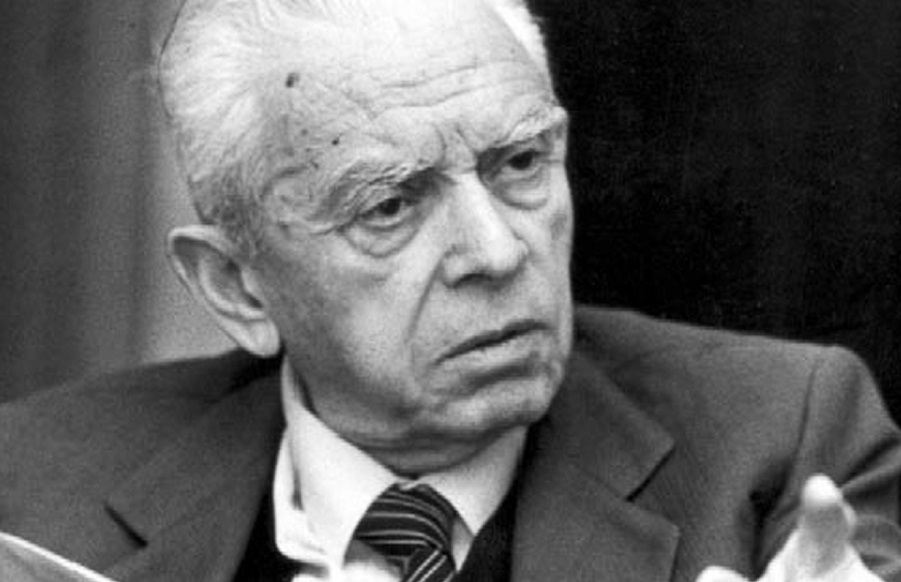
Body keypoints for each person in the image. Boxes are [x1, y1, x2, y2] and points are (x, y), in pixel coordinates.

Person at [1, 0, 900, 581]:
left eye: (520, 164)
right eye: (389, 205)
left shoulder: (783, 446)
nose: (497, 252)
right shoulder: (29, 491)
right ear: (237, 287)